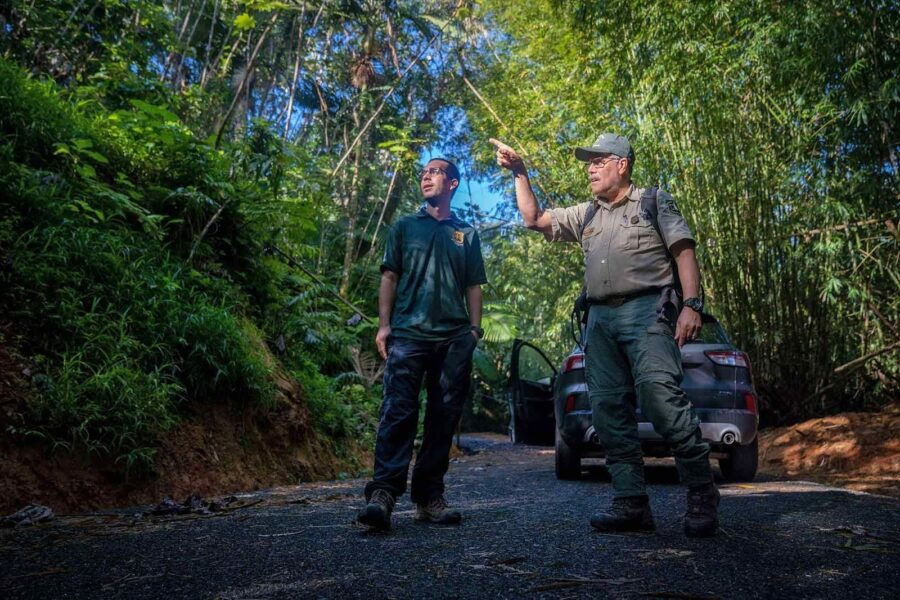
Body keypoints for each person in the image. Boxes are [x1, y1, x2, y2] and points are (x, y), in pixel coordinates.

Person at [490, 134, 720, 538]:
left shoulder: (652, 201)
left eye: (598, 161)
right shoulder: (587, 214)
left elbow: (684, 251)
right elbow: (534, 220)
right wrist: (521, 173)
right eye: (589, 163)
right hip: (600, 319)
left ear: (622, 164)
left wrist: (691, 305)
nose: (590, 168)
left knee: (661, 398)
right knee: (608, 410)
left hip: (646, 312)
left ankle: (701, 493)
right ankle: (631, 503)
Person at [357, 158, 487, 531]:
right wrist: (384, 326)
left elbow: (473, 285)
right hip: (408, 335)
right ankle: (382, 495)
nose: (425, 176)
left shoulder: (466, 233)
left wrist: (474, 331)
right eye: (423, 173)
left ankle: (429, 497)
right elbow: (390, 277)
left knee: (443, 420)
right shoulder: (403, 227)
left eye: (434, 172)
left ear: (453, 183)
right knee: (398, 412)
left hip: (453, 340)